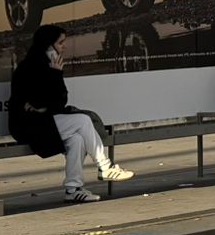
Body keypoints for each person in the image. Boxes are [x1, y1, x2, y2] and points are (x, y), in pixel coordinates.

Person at [8, 26, 133, 203]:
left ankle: (73, 189)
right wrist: (47, 94)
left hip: (45, 122)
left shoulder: (52, 67)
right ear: (48, 46)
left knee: (77, 140)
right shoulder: (28, 68)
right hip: (29, 126)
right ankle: (105, 166)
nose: (64, 47)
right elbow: (39, 101)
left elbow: (59, 102)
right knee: (82, 120)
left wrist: (56, 76)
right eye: (60, 43)